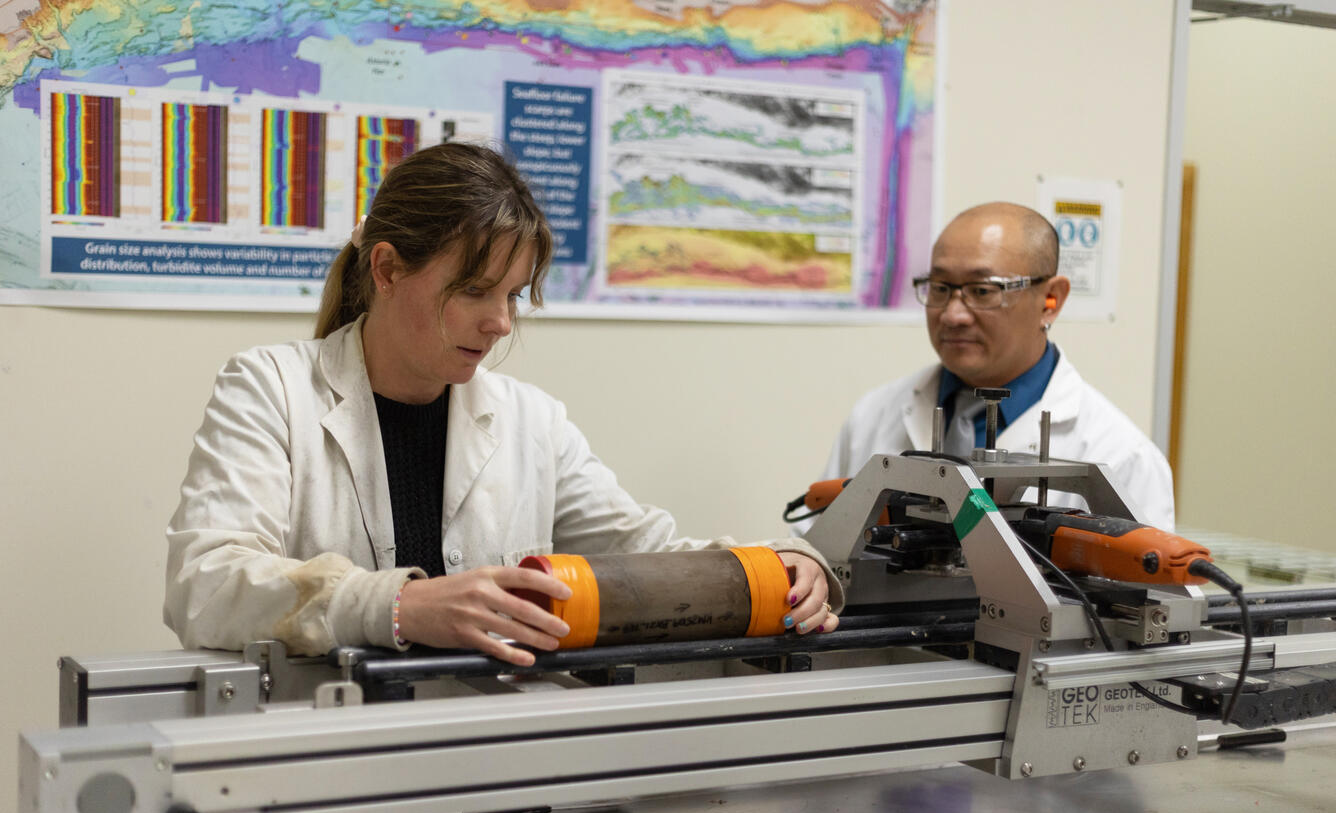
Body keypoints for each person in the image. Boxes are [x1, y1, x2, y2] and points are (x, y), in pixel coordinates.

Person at [165, 142, 840, 666]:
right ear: (389, 268)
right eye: (476, 291)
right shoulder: (270, 389)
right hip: (315, 771)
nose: (501, 324)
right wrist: (398, 604)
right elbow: (205, 583)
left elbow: (646, 552)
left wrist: (779, 564)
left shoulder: (530, 421)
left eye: (513, 296)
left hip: (489, 772)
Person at [814, 202, 1174, 530]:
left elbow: (1152, 597)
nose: (953, 315)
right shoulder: (873, 415)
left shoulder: (1124, 457)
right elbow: (817, 547)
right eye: (940, 288)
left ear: (1051, 301)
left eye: (983, 291)